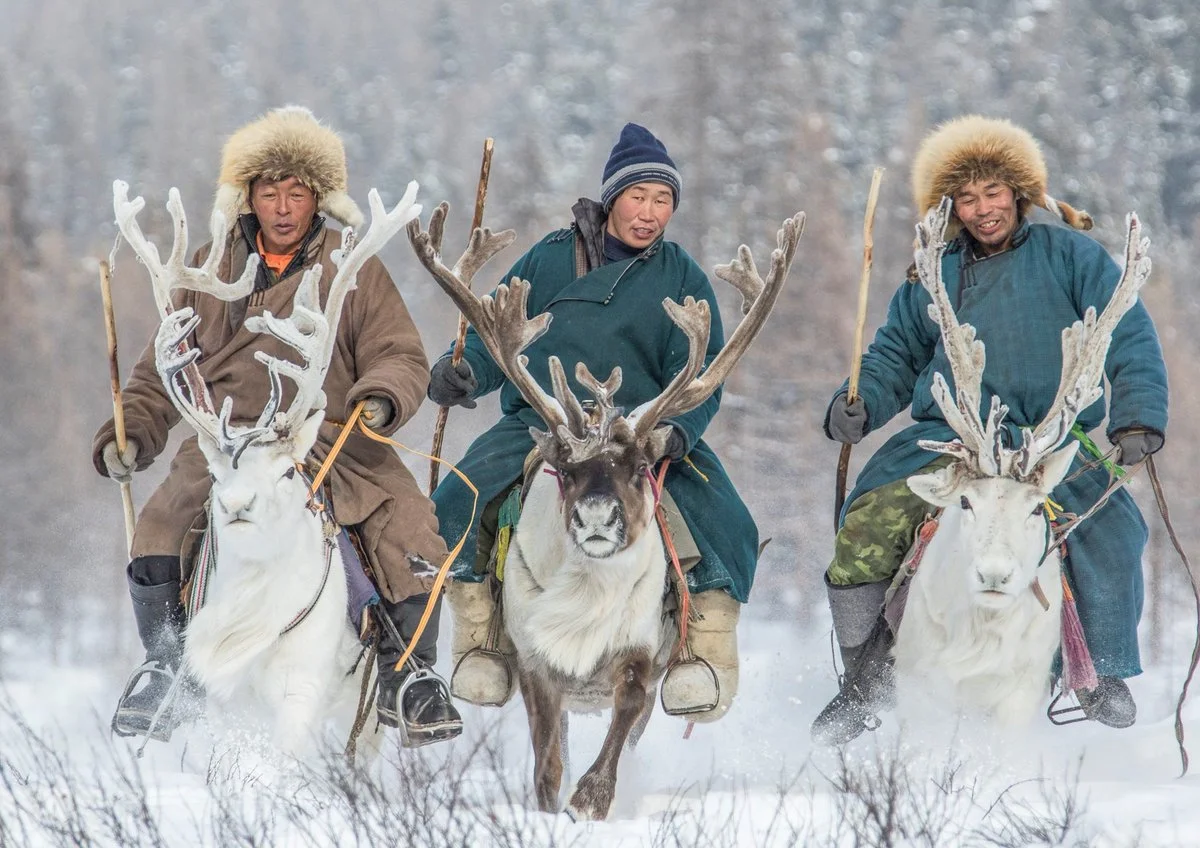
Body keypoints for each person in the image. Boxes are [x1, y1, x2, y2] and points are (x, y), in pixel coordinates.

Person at [94, 106, 461, 745]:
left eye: (297, 192)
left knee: (409, 526)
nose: (284, 207)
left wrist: (379, 398)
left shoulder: (352, 268)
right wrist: (129, 433)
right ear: (248, 197)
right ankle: (166, 667)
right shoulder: (205, 271)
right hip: (223, 443)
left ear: (318, 198)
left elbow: (399, 354)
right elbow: (160, 372)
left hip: (329, 438)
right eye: (270, 191)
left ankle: (410, 673)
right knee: (157, 525)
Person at [811, 114, 1169, 744]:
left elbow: (1127, 330)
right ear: (951, 208)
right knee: (868, 522)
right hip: (950, 438)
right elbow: (896, 352)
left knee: (1111, 528)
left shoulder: (1073, 255)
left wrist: (1139, 414)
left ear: (1019, 193)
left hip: (1053, 440)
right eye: (967, 199)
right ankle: (866, 679)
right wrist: (859, 401)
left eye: (993, 193)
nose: (982, 210)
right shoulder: (934, 270)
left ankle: (1100, 670)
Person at [428, 122, 754, 722]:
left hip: (641, 432)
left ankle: (702, 655)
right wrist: (465, 372)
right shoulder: (552, 259)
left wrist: (677, 433)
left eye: (663, 201)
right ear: (612, 199)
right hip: (548, 423)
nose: (650, 213)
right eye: (638, 197)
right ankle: (484, 642)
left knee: (725, 518)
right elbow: (496, 331)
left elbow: (705, 372)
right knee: (457, 497)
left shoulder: (680, 274)